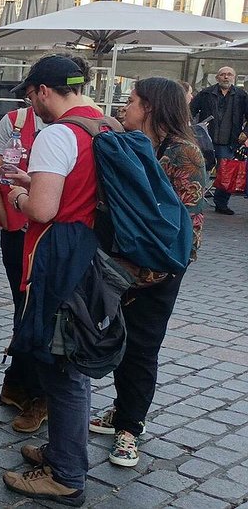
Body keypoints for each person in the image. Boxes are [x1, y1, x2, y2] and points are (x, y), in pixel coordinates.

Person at [87, 78, 207, 467]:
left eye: (133, 100)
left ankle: (130, 428)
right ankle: (122, 411)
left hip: (158, 271)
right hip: (118, 264)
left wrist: (154, 273)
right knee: (120, 339)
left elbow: (188, 221)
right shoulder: (133, 141)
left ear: (151, 106)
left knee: (142, 347)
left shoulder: (183, 153)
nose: (126, 105)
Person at [0, 54, 100, 505]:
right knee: (70, 361)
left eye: (31, 94)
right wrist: (37, 179)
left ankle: (66, 475)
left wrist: (20, 192)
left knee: (63, 367)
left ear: (43, 90)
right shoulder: (104, 123)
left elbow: (43, 210)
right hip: (91, 256)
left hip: (58, 258)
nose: (31, 104)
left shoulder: (57, 133)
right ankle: (61, 450)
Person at [0, 98, 48, 434]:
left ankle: (22, 386)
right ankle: (28, 389)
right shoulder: (16, 122)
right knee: (27, 308)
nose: (34, 98)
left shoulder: (85, 122)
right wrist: (7, 219)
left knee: (40, 311)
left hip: (52, 232)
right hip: (21, 233)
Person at [190, 66, 246, 214]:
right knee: (200, 170)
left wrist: (245, 132)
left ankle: (221, 204)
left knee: (226, 173)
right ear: (217, 77)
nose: (226, 77)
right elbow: (190, 111)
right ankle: (196, 200)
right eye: (222, 75)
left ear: (234, 77)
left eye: (229, 74)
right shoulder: (206, 93)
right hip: (205, 140)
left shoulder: (241, 95)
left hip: (229, 141)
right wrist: (192, 129)